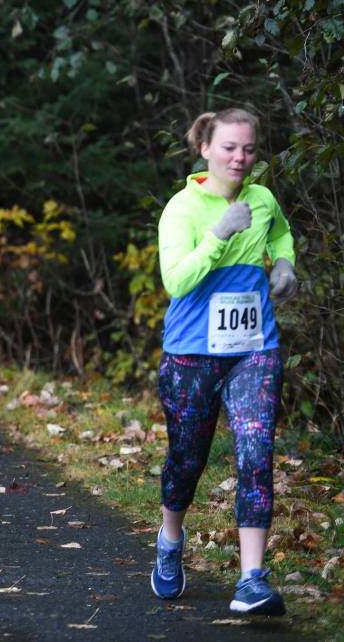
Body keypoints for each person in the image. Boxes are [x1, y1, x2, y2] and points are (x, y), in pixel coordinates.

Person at [152, 108, 296, 615]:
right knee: (186, 462)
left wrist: (284, 262)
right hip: (191, 356)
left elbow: (280, 231)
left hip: (254, 350)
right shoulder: (182, 209)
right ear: (205, 149)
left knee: (256, 453)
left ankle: (251, 579)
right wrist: (219, 235)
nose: (241, 157)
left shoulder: (262, 198)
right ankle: (170, 539)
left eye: (249, 148)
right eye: (230, 147)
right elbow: (177, 281)